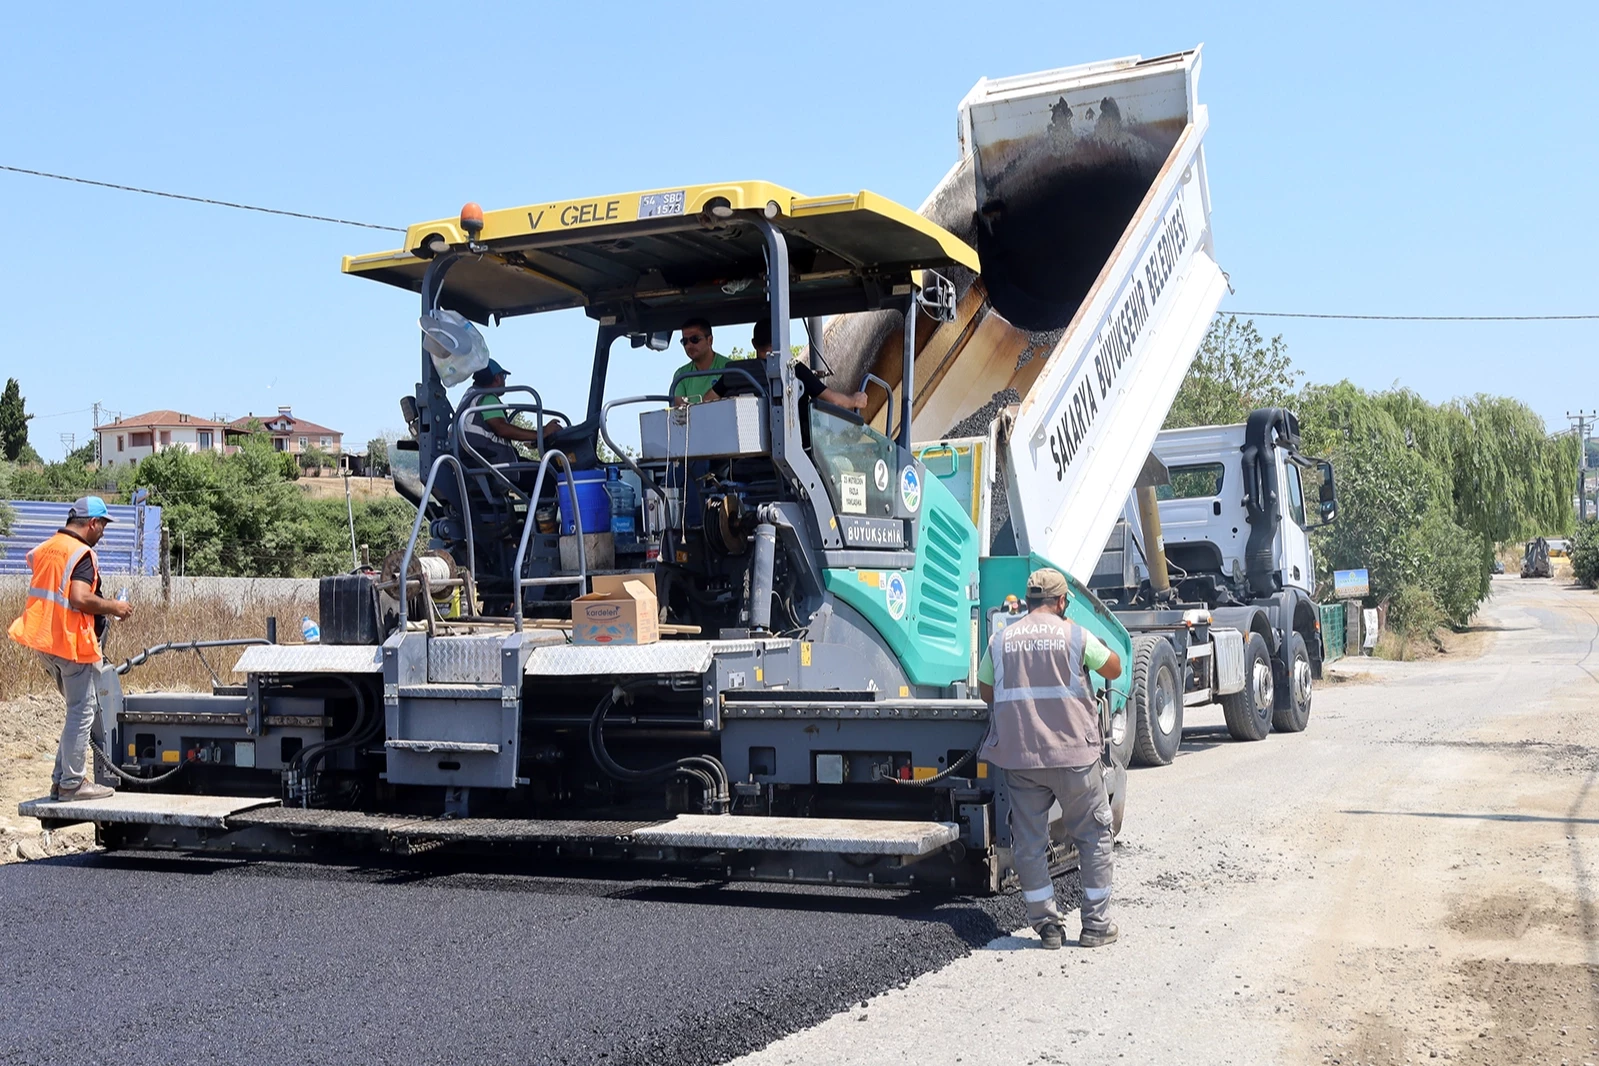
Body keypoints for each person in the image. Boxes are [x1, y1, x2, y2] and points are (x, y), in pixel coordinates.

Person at [977, 567, 1123, 949]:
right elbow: (1114, 667)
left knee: (1029, 843)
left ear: (1027, 602)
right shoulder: (1074, 633)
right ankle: (1095, 925)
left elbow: (986, 692)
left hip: (1022, 758)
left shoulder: (1001, 639)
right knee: (1093, 835)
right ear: (1061, 602)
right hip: (1075, 755)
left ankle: (1047, 927)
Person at [7, 496, 135, 802]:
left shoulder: (48, 547)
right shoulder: (82, 554)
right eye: (102, 525)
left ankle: (60, 781)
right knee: (82, 711)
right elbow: (78, 597)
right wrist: (114, 606)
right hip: (69, 643)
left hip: (45, 641)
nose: (103, 532)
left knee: (76, 710)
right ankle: (72, 784)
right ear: (91, 523)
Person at [701, 319, 870, 412]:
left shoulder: (737, 373)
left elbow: (707, 400)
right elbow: (834, 400)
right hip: (797, 451)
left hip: (742, 462)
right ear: (782, 341)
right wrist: (855, 400)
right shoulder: (794, 369)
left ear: (754, 344)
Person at [461, 358, 565, 471]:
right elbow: (502, 428)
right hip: (494, 464)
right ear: (497, 378)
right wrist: (542, 433)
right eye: (504, 377)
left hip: (477, 460)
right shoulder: (487, 398)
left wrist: (535, 436)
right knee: (548, 475)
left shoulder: (470, 397)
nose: (505, 382)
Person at [671, 317, 732, 405]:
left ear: (710, 340)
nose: (689, 345)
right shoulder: (680, 375)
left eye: (694, 339)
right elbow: (680, 411)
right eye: (684, 341)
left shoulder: (729, 367)